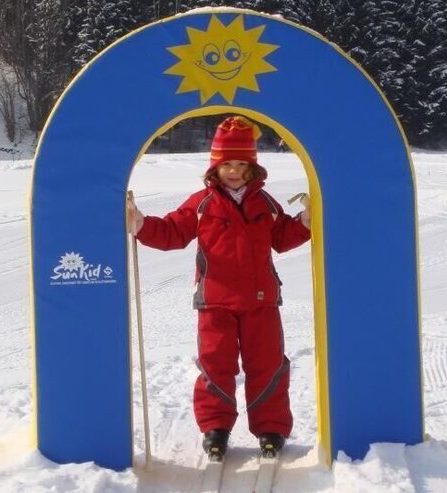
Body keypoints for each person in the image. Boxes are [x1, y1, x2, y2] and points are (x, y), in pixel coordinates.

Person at [128, 115, 311, 461]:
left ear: (252, 167)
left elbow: (282, 237)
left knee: (268, 364)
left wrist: (305, 222)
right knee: (215, 366)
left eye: (242, 164)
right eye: (228, 164)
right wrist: (139, 223)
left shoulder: (265, 203)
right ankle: (216, 428)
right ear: (216, 166)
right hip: (215, 302)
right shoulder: (202, 203)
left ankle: (271, 427)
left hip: (262, 302)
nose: (235, 171)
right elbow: (172, 232)